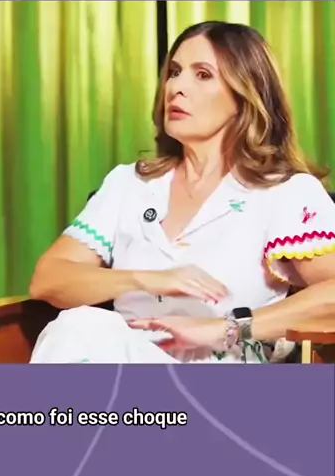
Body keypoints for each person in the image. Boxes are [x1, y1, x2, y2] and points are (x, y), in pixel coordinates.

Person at [29, 21, 335, 364]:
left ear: (245, 95)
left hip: (225, 371)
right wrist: (148, 280)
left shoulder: (285, 191)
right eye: (174, 72)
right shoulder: (129, 184)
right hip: (126, 355)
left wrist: (225, 329)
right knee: (78, 326)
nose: (176, 87)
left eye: (203, 75)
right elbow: (49, 279)